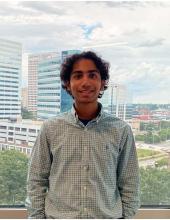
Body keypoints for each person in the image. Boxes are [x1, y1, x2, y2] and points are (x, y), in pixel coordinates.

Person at [26, 51, 140, 219]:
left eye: (92, 75)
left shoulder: (121, 130)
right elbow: (36, 179)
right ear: (67, 84)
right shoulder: (50, 128)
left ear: (102, 83)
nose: (85, 82)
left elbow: (130, 182)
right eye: (78, 76)